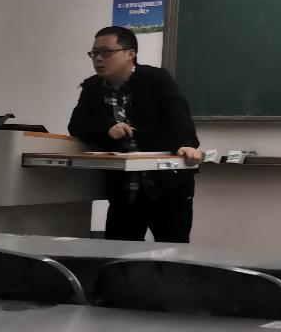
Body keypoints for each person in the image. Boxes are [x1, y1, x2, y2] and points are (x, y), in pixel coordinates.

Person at [68, 26, 203, 243]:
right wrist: (107, 129)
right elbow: (76, 125)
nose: (98, 59)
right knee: (118, 250)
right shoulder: (93, 87)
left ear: (130, 54)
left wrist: (186, 144)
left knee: (173, 248)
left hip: (167, 184)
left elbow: (179, 117)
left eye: (106, 52)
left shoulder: (155, 78)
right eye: (94, 53)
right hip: (124, 187)